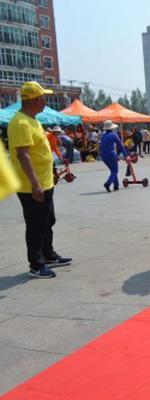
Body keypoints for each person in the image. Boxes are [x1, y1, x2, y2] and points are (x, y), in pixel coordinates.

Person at [8, 81, 72, 279]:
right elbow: (23, 155)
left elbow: (40, 152)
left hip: (45, 181)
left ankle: (48, 254)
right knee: (36, 224)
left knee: (48, 219)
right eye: (43, 98)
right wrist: (35, 184)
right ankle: (36, 264)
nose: (45, 101)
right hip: (31, 185)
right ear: (34, 100)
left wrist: (50, 174)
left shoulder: (33, 119)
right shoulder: (20, 122)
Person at [99, 120, 128, 192]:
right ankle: (108, 183)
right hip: (111, 154)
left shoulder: (103, 135)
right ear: (112, 128)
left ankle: (116, 185)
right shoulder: (114, 135)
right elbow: (120, 146)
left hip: (103, 155)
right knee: (115, 170)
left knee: (113, 170)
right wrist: (126, 155)